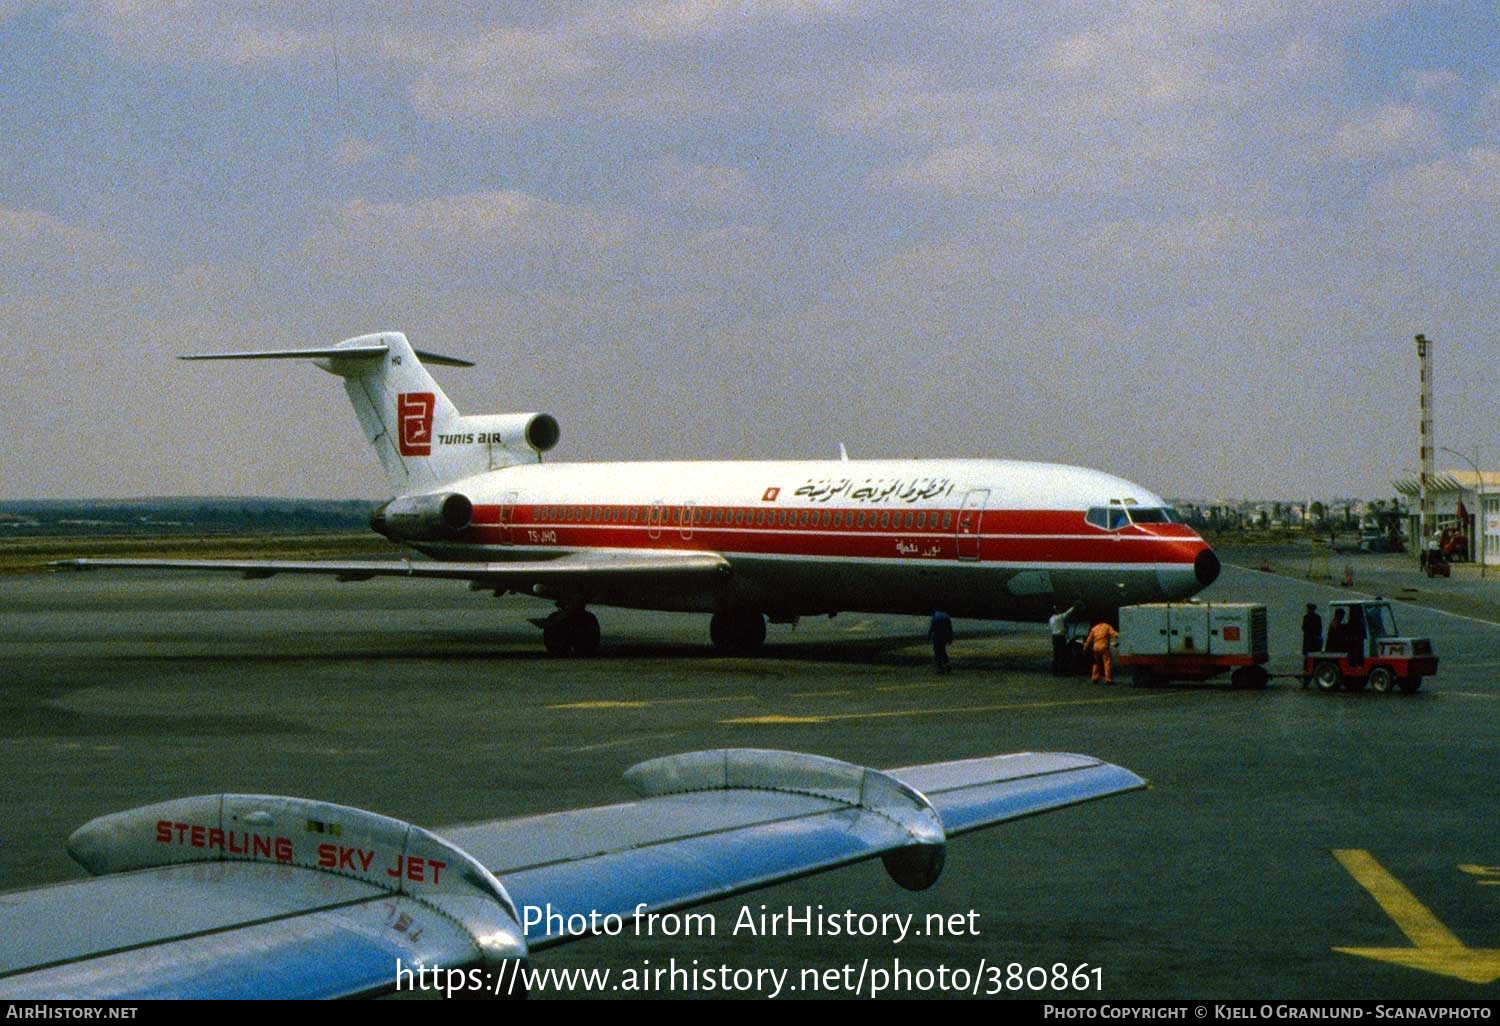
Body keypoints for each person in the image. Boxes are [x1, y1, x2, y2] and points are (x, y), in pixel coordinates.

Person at [1049, 602, 1081, 676]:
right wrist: (1074, 606)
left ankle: (1055, 671)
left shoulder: (1051, 619)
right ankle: (1061, 671)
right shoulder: (1060, 617)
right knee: (1062, 655)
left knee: (1056, 655)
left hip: (1054, 637)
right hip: (1060, 637)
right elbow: (1068, 613)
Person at [1084, 619, 1119, 685]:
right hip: (1104, 647)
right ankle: (1108, 679)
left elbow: (1089, 639)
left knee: (1096, 663)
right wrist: (1121, 635)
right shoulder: (1107, 626)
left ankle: (1094, 677)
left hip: (1095, 647)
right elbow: (1113, 633)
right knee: (1106, 662)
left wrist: (1085, 647)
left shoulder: (1094, 628)